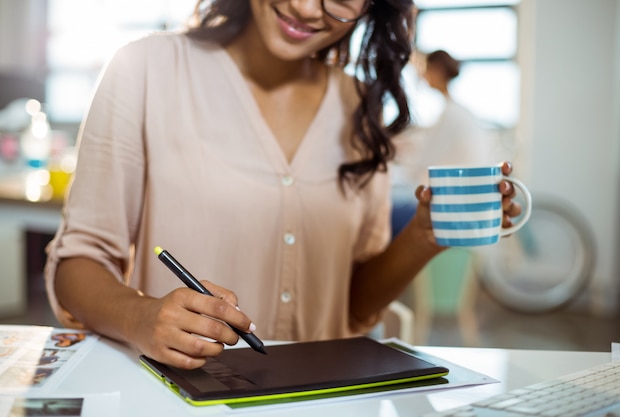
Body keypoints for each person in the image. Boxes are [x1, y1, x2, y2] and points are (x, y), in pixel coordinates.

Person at [44, 0, 521, 370]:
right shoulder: (145, 68)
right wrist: (140, 317)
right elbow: (77, 264)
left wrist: (422, 236)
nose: (308, 9)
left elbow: (351, 304)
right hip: (178, 397)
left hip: (326, 400)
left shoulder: (360, 108)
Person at [391, 49, 500, 235]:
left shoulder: (451, 114)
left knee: (387, 214)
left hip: (454, 207)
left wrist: (398, 157)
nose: (422, 76)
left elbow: (423, 163)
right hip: (461, 202)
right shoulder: (457, 112)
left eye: (426, 69)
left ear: (437, 70)